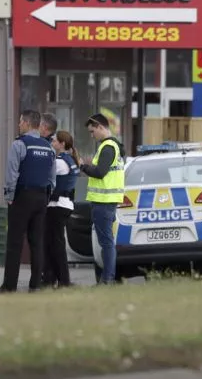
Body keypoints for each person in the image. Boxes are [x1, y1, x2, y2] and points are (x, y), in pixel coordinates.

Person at [0, 110, 56, 294]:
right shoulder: (49, 148)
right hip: (41, 198)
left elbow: (12, 174)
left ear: (27, 123)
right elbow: (52, 178)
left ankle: (9, 287)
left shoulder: (19, 144)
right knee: (36, 243)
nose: (18, 124)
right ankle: (35, 286)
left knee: (15, 243)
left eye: (20, 121)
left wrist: (9, 196)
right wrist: (46, 196)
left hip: (22, 197)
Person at [80, 113, 125, 285]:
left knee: (106, 243)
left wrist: (83, 166)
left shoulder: (107, 147)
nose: (92, 135)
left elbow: (100, 173)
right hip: (108, 201)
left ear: (100, 126)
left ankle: (107, 279)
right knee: (107, 242)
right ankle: (108, 278)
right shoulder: (114, 146)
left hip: (104, 201)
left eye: (92, 131)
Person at [42, 130, 80, 288]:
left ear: (62, 144)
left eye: (54, 141)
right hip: (65, 205)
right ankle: (55, 279)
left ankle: (62, 280)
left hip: (56, 206)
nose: (52, 143)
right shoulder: (70, 160)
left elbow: (44, 175)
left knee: (54, 244)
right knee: (54, 243)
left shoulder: (59, 162)